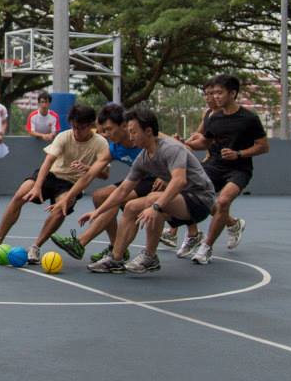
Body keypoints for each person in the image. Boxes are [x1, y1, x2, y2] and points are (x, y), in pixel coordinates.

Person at [85, 107, 216, 274]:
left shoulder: (171, 148)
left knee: (153, 198)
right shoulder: (143, 157)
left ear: (148, 131)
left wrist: (156, 206)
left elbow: (179, 180)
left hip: (200, 199)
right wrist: (98, 212)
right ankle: (115, 258)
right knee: (131, 206)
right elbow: (124, 189)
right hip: (179, 200)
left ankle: (149, 256)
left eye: (133, 132)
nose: (130, 137)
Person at [0, 104, 111, 264]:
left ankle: (36, 247)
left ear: (91, 126)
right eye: (74, 127)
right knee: (20, 194)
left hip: (70, 184)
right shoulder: (64, 136)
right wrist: (37, 186)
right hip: (50, 175)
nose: (76, 132)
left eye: (80, 128)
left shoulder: (101, 143)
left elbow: (104, 174)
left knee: (62, 208)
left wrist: (88, 168)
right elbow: (47, 162)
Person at [49, 103, 154, 263]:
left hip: (155, 180)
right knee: (99, 196)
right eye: (103, 130)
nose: (106, 134)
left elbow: (179, 149)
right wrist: (68, 197)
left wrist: (165, 176)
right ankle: (115, 246)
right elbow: (89, 174)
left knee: (115, 199)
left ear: (124, 125)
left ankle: (80, 242)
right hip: (138, 179)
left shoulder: (145, 136)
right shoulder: (114, 147)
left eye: (109, 129)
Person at [183, 74, 269, 264]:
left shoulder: (249, 118)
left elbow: (263, 146)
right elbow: (204, 142)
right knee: (187, 190)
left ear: (233, 93)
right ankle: (219, 227)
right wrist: (183, 143)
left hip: (239, 169)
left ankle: (206, 247)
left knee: (222, 202)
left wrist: (239, 154)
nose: (215, 97)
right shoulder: (213, 118)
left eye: (219, 93)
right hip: (214, 165)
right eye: (213, 93)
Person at [160, 79, 217, 249]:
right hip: (208, 163)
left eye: (213, 93)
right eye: (206, 94)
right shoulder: (207, 114)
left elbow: (207, 141)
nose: (209, 98)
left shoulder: (228, 117)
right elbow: (199, 136)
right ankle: (183, 232)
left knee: (210, 203)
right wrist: (182, 142)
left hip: (222, 165)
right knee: (185, 193)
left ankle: (226, 224)